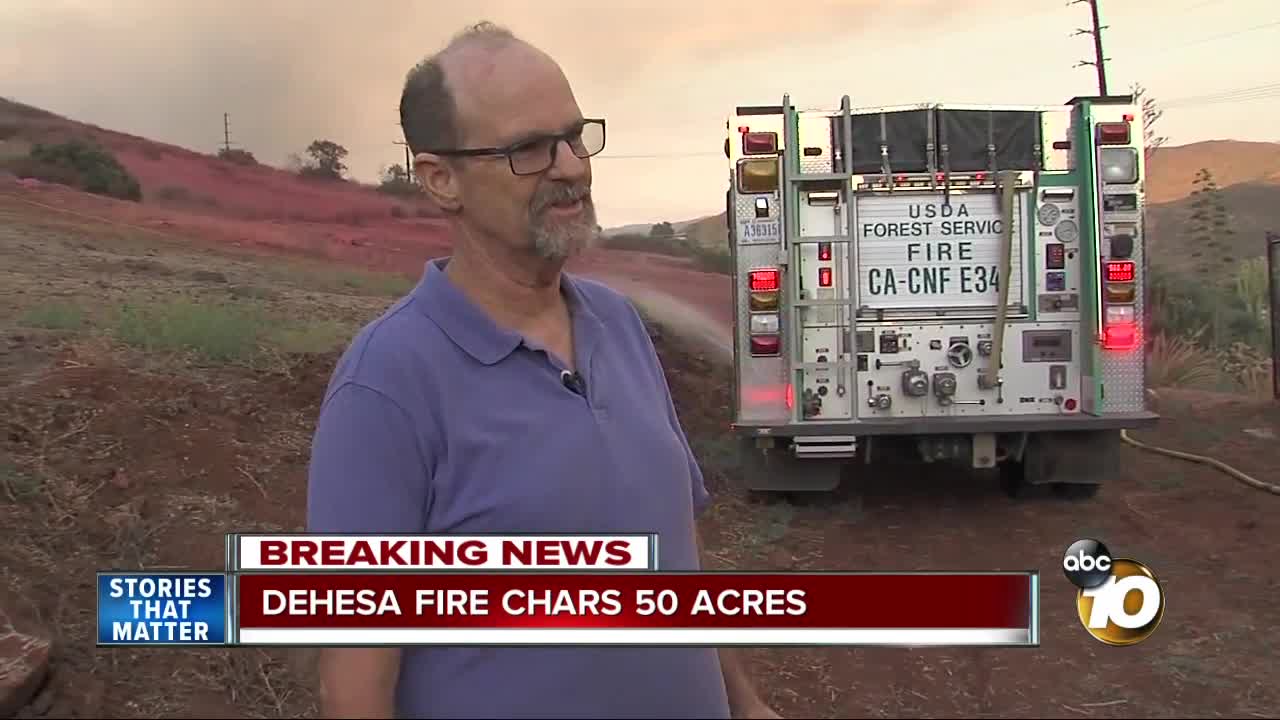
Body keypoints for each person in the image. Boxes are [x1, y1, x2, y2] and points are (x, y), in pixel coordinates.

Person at [305, 20, 781, 720]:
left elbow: (676, 556)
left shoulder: (618, 326)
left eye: (574, 135)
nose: (571, 166)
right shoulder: (384, 386)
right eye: (529, 148)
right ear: (441, 179)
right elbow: (353, 689)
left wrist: (745, 704)